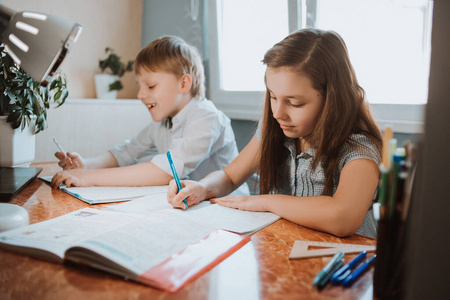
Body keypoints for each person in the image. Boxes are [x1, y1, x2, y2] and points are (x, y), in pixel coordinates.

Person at [168, 29, 382, 238]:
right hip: (283, 252)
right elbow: (230, 176)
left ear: (332, 99)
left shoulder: (359, 148)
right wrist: (202, 187)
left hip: (342, 264)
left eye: (295, 103)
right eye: (273, 96)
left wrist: (266, 202)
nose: (278, 113)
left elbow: (343, 217)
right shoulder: (274, 129)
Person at [51, 36, 249, 195]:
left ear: (183, 84)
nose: (140, 94)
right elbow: (126, 152)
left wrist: (87, 177)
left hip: (228, 209)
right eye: (140, 86)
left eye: (151, 86)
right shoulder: (163, 121)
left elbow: (164, 172)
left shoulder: (207, 118)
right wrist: (86, 165)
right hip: (192, 205)